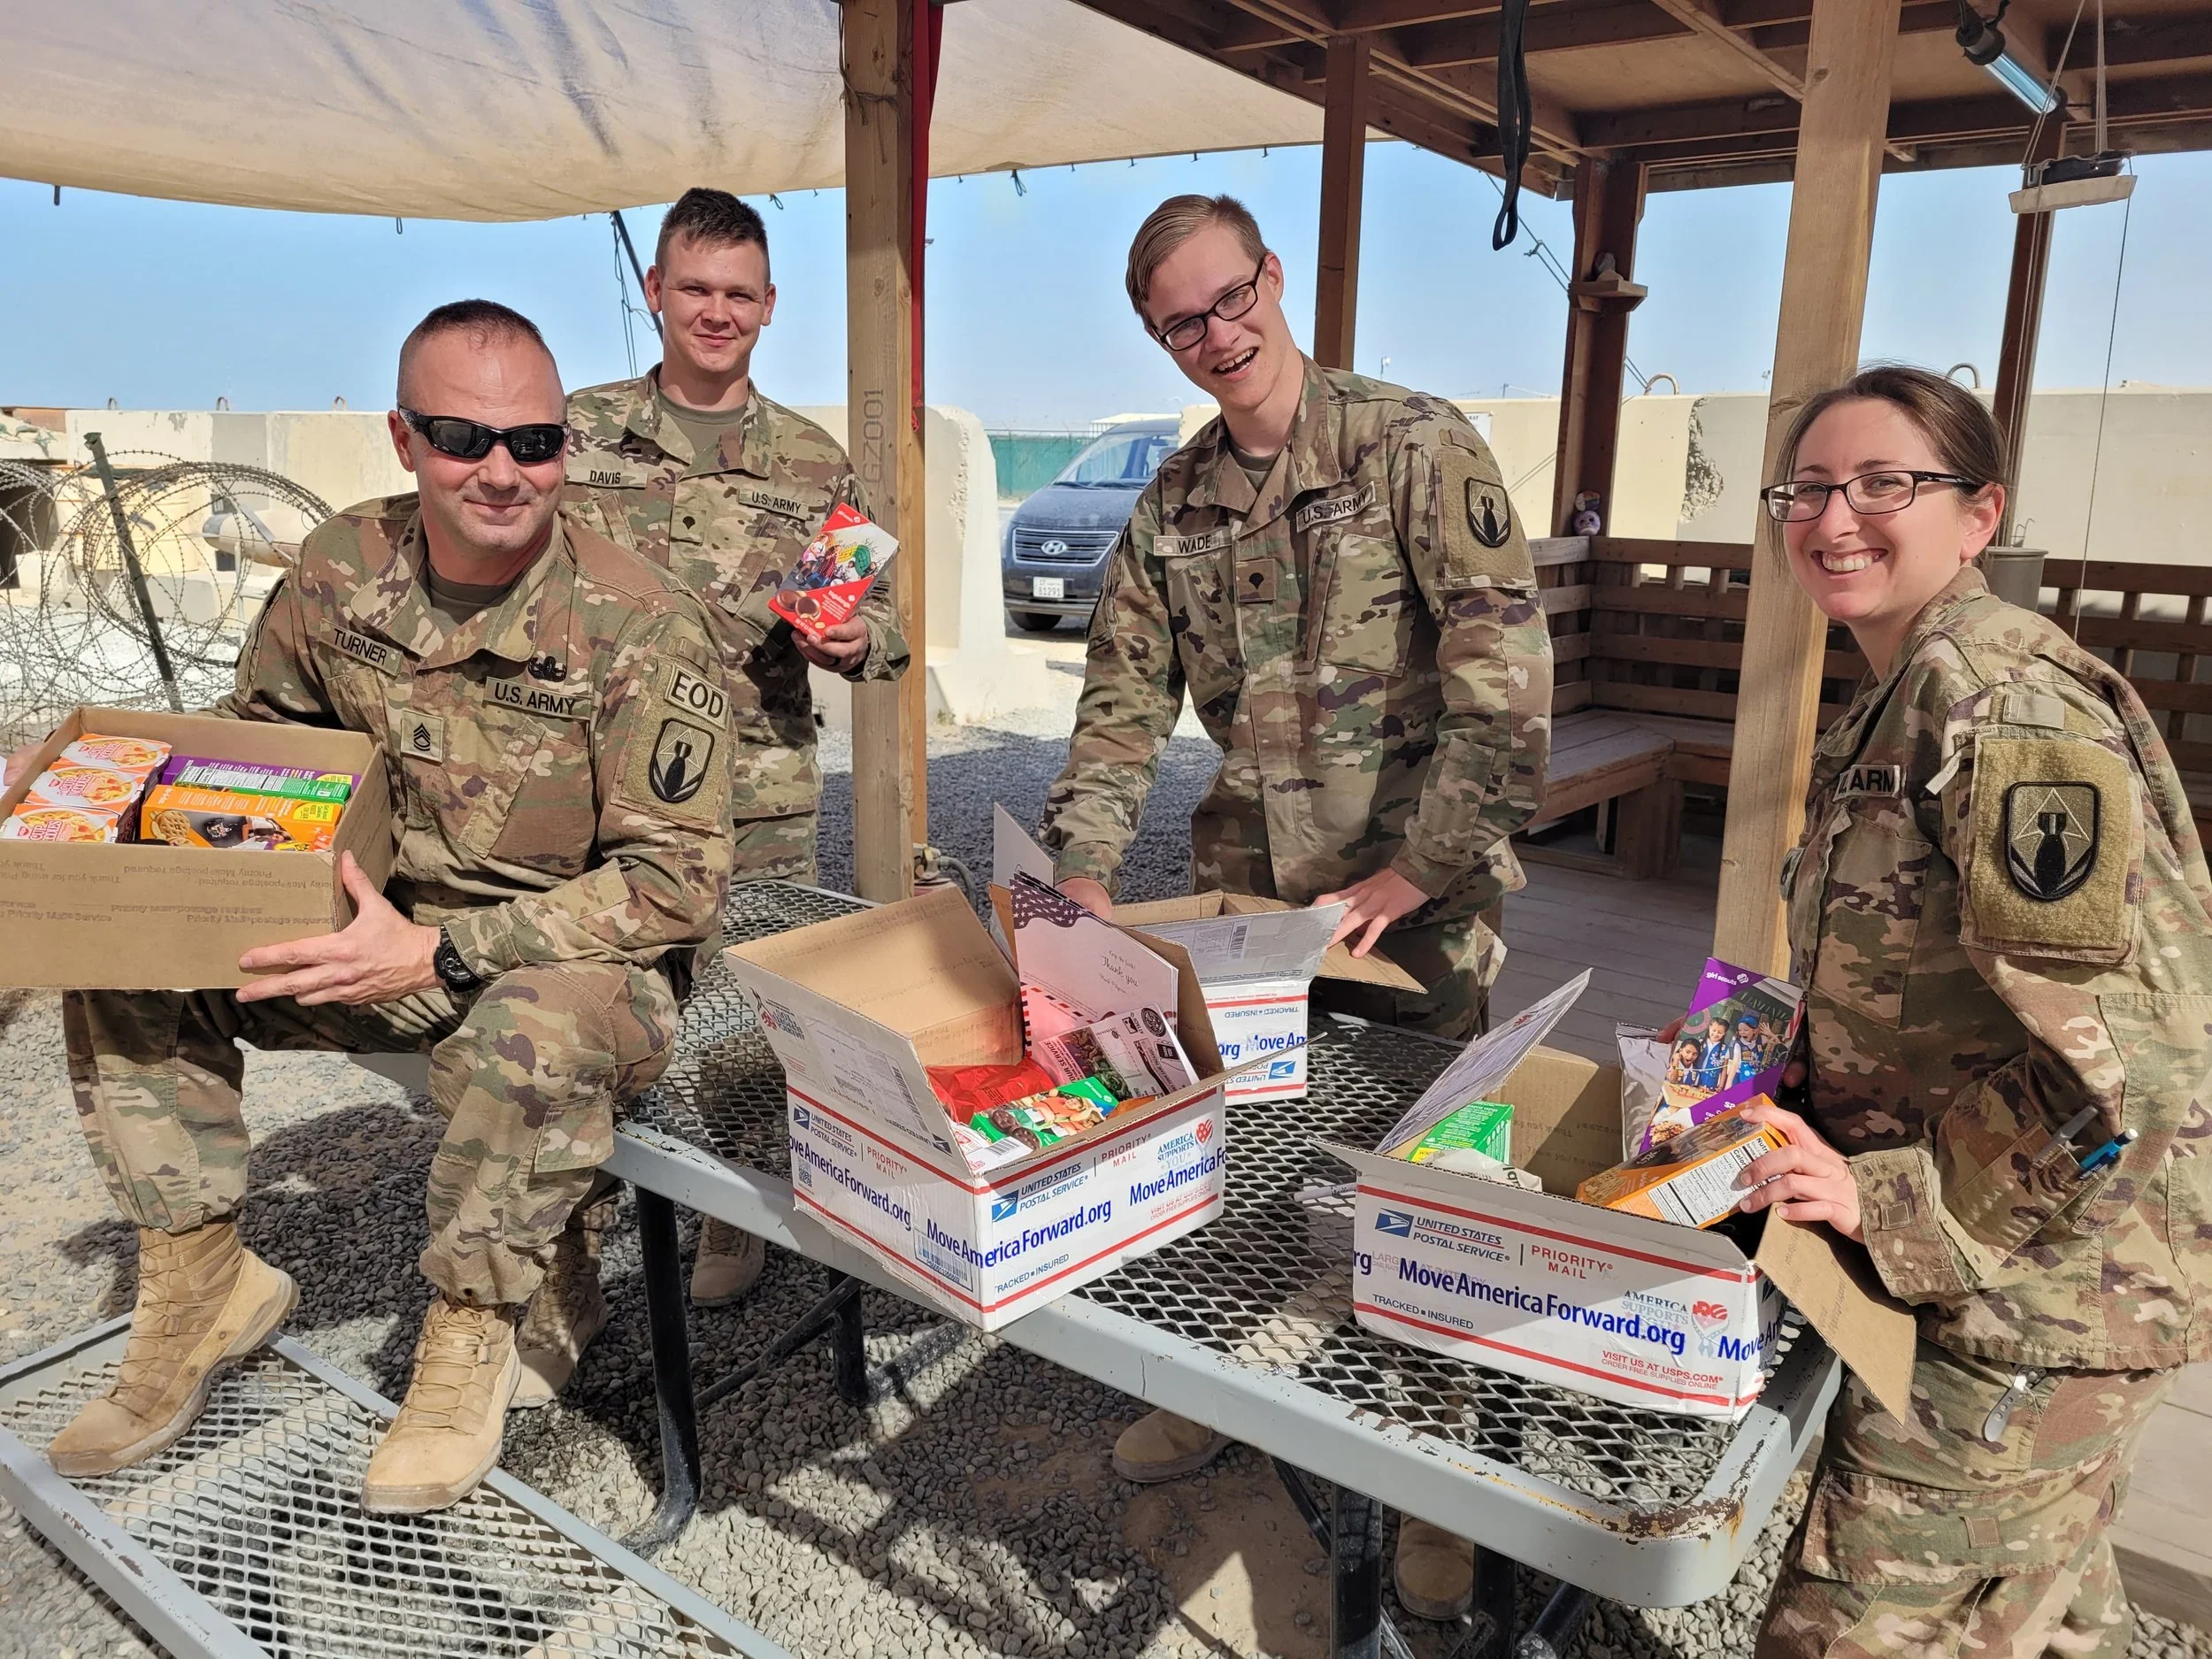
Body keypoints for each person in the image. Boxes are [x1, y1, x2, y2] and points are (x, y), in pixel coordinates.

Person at [35, 301, 733, 1514]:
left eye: (537, 439)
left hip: (568, 953)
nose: (504, 470)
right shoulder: (339, 569)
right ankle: (201, 1277)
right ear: (405, 437)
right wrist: (100, 827)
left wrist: (444, 944)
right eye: (466, 435)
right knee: (127, 954)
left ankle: (472, 1324)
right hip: (364, 928)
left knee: (536, 1029)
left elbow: (675, 884)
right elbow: (260, 755)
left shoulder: (639, 621)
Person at [1037, 193, 1553, 1623]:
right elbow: (1120, 701)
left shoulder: (1413, 445)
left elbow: (1504, 696)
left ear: (1274, 277)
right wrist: (1079, 877)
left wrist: (1421, 870)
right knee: (1242, 1168)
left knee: (1427, 1184)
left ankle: (1429, 1470)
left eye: (1229, 296)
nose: (1217, 335)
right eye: (1180, 322)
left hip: (1411, 916)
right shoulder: (1175, 501)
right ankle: (1225, 1392)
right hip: (1249, 908)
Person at [1722, 365, 2212, 1657]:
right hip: (2014, 1265)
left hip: (2040, 1298)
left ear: (1980, 514)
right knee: (2042, 1595)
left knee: (1860, 1626)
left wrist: (1885, 1201)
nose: (1836, 518)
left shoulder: (1998, 706)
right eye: (1810, 487)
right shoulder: (1907, 684)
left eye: (1887, 484)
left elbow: (2136, 1066)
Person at [563, 188, 909, 1325]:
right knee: (588, 992)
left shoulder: (814, 464)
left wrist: (857, 640)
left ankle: (731, 1207)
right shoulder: (573, 435)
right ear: (656, 293)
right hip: (597, 784)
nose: (716, 313)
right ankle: (575, 1213)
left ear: (770, 308)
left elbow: (884, 629)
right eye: (695, 290)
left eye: (739, 295)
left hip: (756, 787)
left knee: (749, 999)